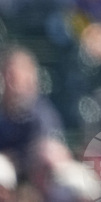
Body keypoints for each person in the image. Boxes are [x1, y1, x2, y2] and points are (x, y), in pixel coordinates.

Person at [0, 47, 63, 179]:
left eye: (16, 73)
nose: (11, 79)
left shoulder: (41, 111)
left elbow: (48, 147)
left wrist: (17, 160)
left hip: (35, 175)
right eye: (8, 73)